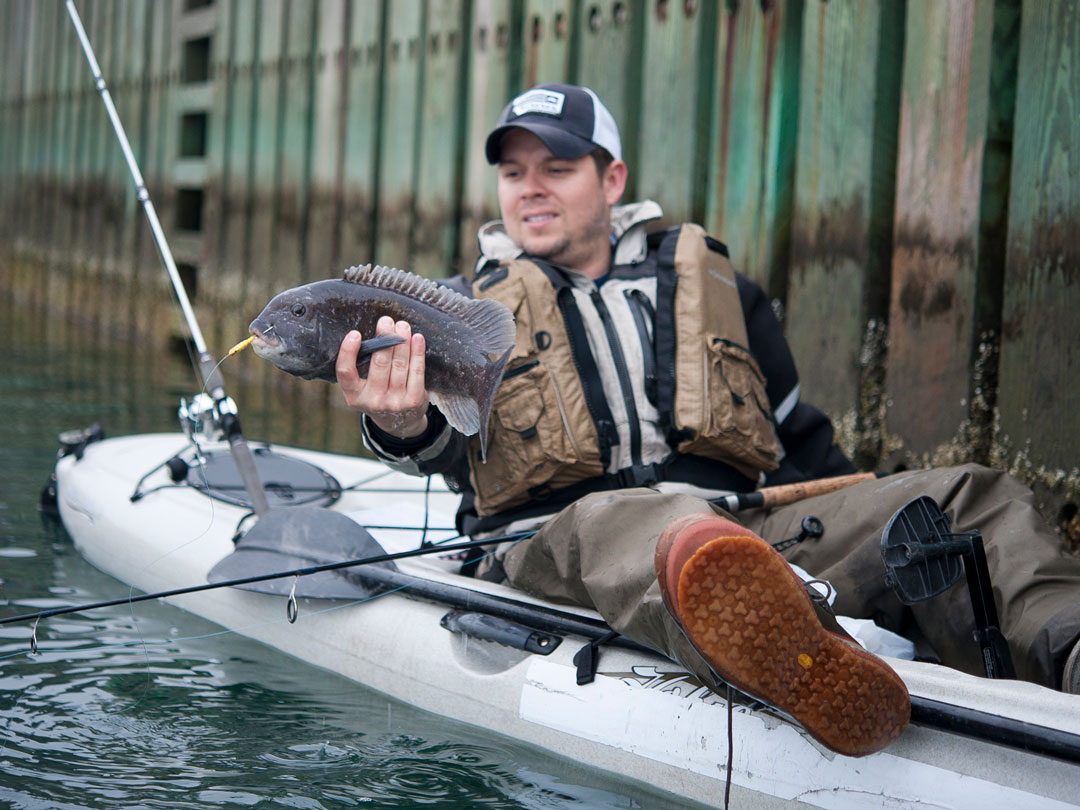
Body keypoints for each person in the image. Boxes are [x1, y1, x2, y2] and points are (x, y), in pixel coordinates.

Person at [334, 83, 1080, 756]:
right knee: (627, 522)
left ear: (612, 178)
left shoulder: (719, 286)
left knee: (963, 497)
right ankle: (794, 651)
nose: (530, 189)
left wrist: (874, 528)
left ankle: (1064, 652)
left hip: (744, 534)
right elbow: (433, 444)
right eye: (513, 172)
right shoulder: (456, 314)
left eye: (555, 168)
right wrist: (396, 421)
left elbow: (801, 440)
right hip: (560, 545)